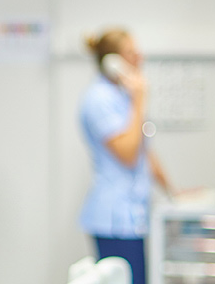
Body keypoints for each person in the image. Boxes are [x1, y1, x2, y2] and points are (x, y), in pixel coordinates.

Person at [79, 27, 181, 284]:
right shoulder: (99, 98)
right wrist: (139, 99)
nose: (139, 58)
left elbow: (145, 153)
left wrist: (173, 192)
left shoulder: (122, 97)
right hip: (115, 220)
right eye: (131, 53)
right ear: (112, 62)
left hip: (133, 217)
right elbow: (127, 153)